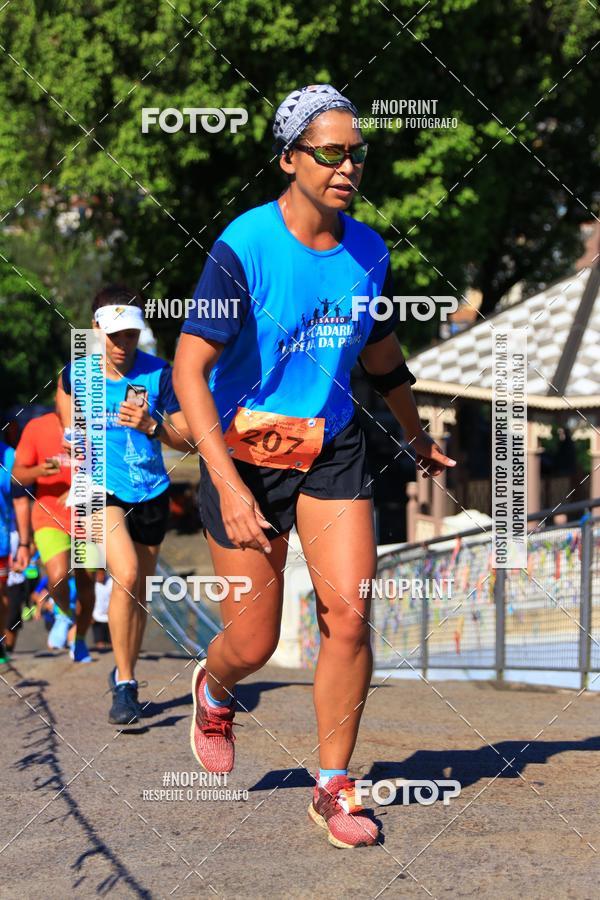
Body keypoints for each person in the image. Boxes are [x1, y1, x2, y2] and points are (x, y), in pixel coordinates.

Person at [173, 84, 456, 848]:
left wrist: (414, 434)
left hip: (331, 447)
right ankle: (216, 686)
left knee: (351, 614)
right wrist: (227, 486)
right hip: (246, 451)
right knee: (255, 642)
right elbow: (188, 371)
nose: (347, 165)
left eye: (356, 151)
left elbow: (379, 349)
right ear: (289, 157)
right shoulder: (246, 246)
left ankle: (334, 787)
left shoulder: (369, 250)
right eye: (329, 151)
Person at [57, 285, 195, 725]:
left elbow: (190, 438)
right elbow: (65, 399)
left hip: (152, 490)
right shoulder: (75, 375)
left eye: (131, 334)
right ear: (97, 330)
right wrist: (73, 443)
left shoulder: (161, 374)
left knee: (137, 594)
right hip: (103, 489)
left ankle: (125, 673)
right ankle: (126, 684)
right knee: (127, 573)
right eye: (114, 335)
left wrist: (154, 426)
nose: (123, 344)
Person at [13, 405, 96, 661]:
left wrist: (81, 489)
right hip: (49, 516)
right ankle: (64, 613)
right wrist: (38, 471)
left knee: (86, 585)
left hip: (89, 516)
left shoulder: (97, 425)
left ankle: (80, 638)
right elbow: (16, 476)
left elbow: (113, 472)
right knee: (58, 575)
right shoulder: (37, 427)